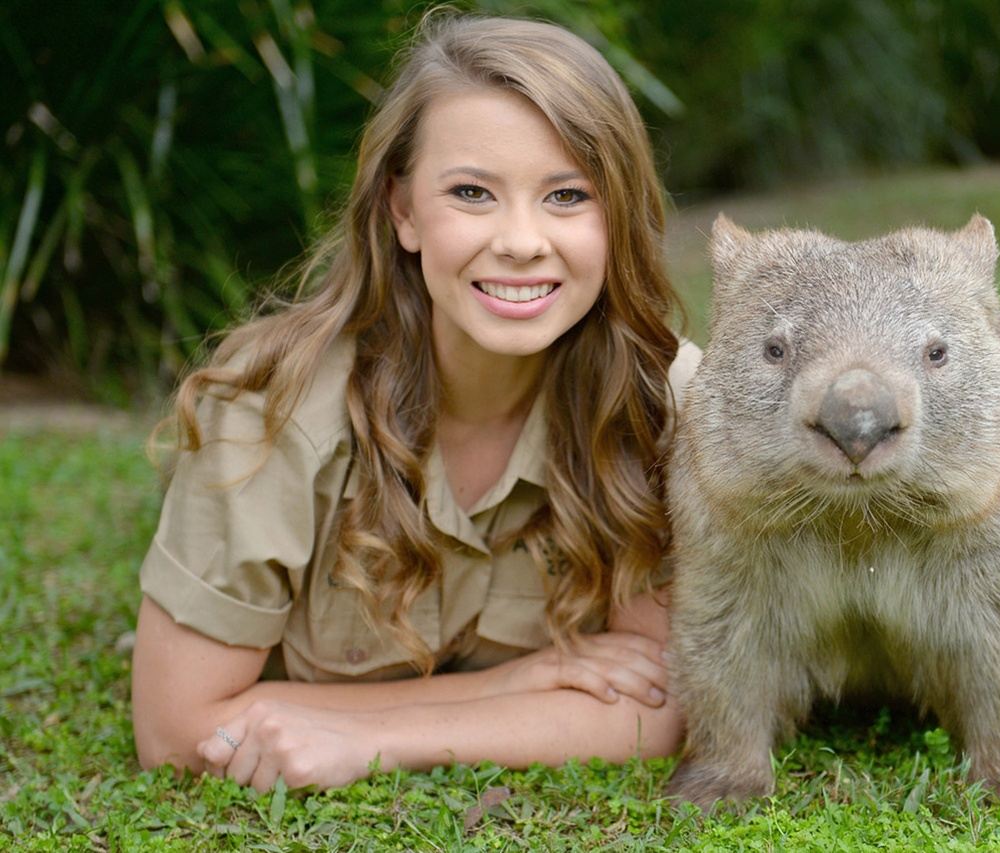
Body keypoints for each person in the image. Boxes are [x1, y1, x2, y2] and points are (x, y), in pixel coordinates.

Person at [130, 13, 699, 793]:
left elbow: (658, 704)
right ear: (402, 210)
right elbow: (175, 728)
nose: (522, 240)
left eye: (568, 195)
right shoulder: (274, 414)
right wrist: (508, 686)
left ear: (620, 213)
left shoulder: (665, 407)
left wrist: (376, 734)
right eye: (472, 193)